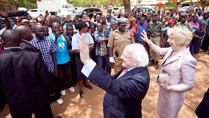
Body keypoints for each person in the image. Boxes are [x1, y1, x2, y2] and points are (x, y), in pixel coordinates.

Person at [77, 34, 150, 118]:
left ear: (136, 62)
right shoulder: (132, 67)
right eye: (123, 53)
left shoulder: (140, 81)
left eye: (125, 56)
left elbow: (114, 85)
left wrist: (87, 61)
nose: (121, 57)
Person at [141, 26, 197, 118]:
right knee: (162, 113)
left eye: (171, 38)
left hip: (173, 96)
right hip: (164, 91)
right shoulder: (172, 50)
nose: (167, 41)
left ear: (180, 41)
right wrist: (147, 40)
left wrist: (170, 88)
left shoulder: (188, 60)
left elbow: (189, 84)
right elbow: (159, 50)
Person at [0, 29, 55, 118]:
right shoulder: (33, 56)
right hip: (38, 99)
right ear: (20, 39)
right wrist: (51, 91)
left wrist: (4, 100)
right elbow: (45, 77)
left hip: (16, 102)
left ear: (2, 42)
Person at [49, 22, 75, 97]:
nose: (57, 29)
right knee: (61, 75)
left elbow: (69, 46)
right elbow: (52, 49)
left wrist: (66, 37)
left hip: (66, 58)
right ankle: (63, 88)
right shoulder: (50, 37)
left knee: (68, 73)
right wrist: (56, 38)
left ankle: (70, 86)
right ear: (52, 28)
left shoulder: (64, 35)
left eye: (58, 27)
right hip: (58, 60)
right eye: (55, 28)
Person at [72, 22, 94, 98]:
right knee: (80, 73)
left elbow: (92, 45)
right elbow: (76, 50)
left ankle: (86, 84)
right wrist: (87, 48)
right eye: (86, 27)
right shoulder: (75, 37)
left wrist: (84, 49)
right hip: (80, 57)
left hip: (88, 56)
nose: (87, 28)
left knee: (87, 70)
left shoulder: (88, 35)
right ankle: (81, 90)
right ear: (82, 28)